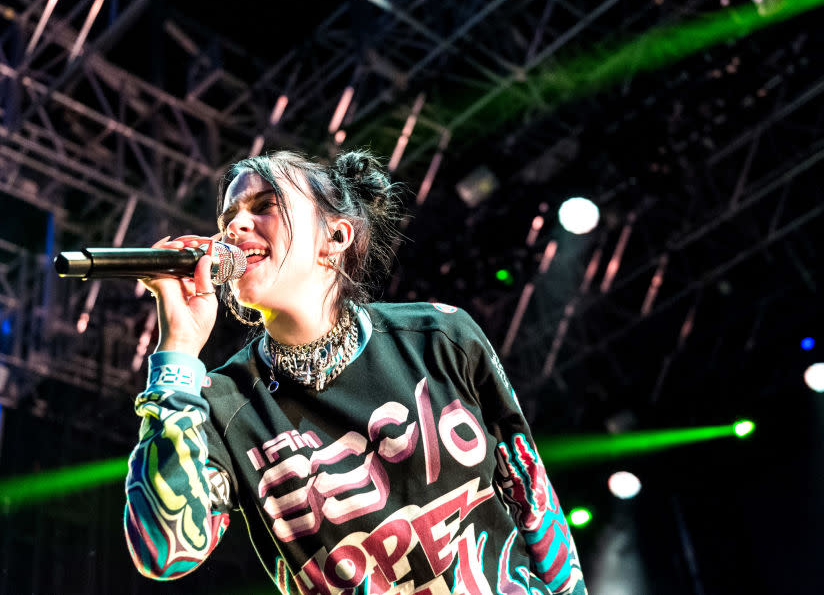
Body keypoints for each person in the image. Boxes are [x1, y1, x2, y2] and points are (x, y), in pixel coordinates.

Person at [124, 150, 588, 595]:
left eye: (264, 206)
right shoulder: (223, 404)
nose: (235, 227)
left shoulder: (440, 335)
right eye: (227, 221)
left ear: (336, 237)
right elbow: (167, 550)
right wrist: (179, 352)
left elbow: (533, 501)